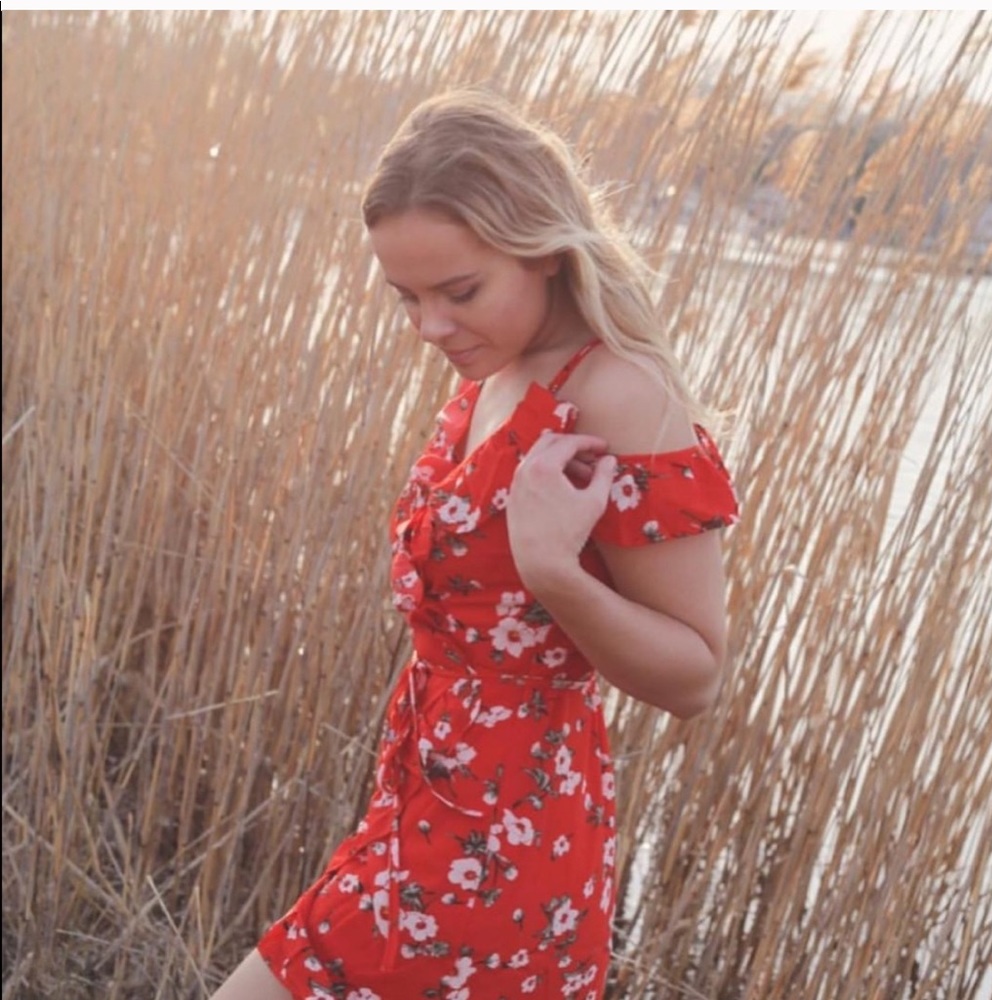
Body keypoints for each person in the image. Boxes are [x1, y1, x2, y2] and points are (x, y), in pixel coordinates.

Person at [210, 89, 739, 1000]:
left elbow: (697, 676)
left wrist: (553, 574)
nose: (429, 328)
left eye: (460, 292)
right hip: (416, 811)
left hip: (504, 849)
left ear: (546, 252)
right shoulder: (493, 369)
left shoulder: (616, 393)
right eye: (407, 297)